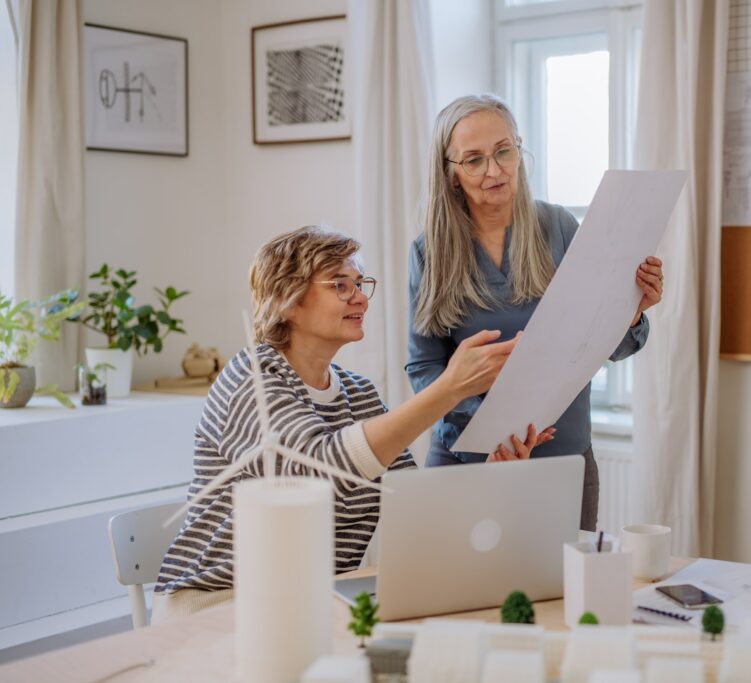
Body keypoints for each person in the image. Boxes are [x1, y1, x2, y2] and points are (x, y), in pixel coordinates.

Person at [153, 226, 546, 622]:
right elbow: (316, 472)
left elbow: (409, 503)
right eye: (340, 285)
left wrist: (492, 479)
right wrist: (449, 389)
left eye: (360, 284)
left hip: (309, 601)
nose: (360, 298)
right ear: (286, 301)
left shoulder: (358, 393)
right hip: (220, 602)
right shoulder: (250, 378)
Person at [406, 94, 665, 531]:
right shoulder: (429, 251)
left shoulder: (559, 228)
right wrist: (493, 420)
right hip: (469, 460)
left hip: (561, 459)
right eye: (474, 160)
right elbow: (424, 368)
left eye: (504, 151)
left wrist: (632, 312)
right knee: (463, 596)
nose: (495, 170)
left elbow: (608, 345)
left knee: (564, 593)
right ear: (450, 173)